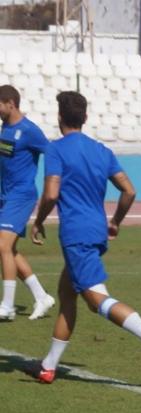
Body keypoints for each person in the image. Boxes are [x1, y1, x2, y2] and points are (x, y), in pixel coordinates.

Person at [30, 91, 141, 383]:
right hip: (96, 230)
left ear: (59, 118)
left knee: (96, 300)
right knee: (66, 292)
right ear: (85, 118)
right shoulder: (102, 151)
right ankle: (49, 366)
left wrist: (39, 220)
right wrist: (116, 222)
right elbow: (129, 190)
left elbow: (52, 193)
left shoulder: (56, 150)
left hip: (75, 234)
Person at [0, 84, 55, 321]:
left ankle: (8, 306)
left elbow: (51, 153)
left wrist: (56, 182)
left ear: (10, 103)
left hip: (21, 195)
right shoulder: (5, 128)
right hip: (4, 195)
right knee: (9, 249)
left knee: (2, 246)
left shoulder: (30, 130)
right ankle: (41, 296)